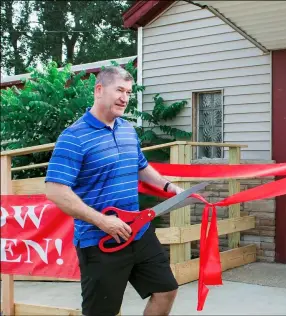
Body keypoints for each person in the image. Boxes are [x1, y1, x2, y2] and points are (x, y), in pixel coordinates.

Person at [44, 66, 184, 316]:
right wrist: (102, 221)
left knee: (166, 291)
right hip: (99, 241)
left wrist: (167, 186)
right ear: (99, 90)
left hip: (138, 232)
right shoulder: (74, 137)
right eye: (119, 90)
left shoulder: (128, 129)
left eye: (128, 92)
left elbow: (141, 166)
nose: (125, 97)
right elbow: (55, 190)